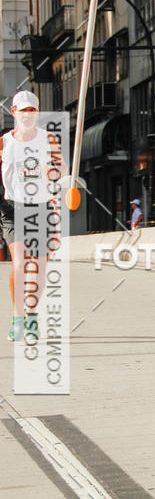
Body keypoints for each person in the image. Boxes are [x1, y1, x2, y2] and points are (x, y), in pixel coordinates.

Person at [0, 90, 66, 341]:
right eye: (22, 110)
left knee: (38, 266)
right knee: (19, 264)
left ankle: (32, 317)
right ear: (13, 112)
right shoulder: (4, 142)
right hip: (12, 207)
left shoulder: (48, 139)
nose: (27, 115)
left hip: (40, 206)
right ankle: (17, 319)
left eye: (32, 110)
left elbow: (61, 169)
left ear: (37, 113)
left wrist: (51, 170)